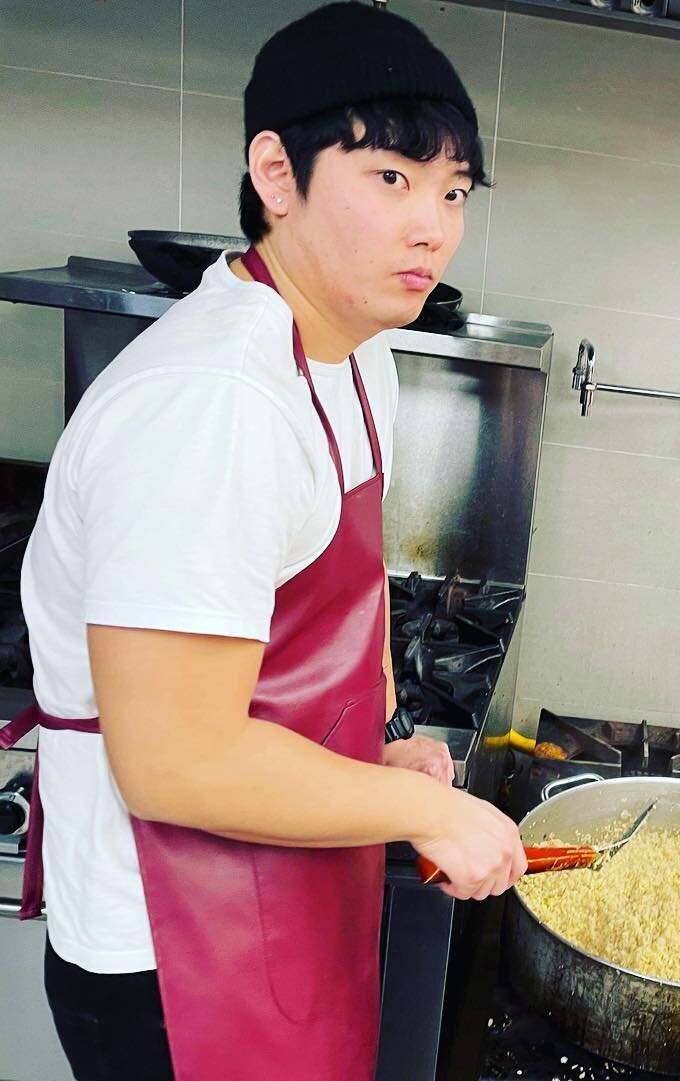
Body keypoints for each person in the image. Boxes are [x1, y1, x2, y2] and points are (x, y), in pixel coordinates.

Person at [0, 6, 527, 1080]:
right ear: (276, 174)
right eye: (390, 178)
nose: (432, 225)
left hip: (277, 887)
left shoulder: (351, 352)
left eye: (454, 191)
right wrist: (423, 805)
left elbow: (312, 626)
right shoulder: (212, 401)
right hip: (170, 947)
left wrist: (369, 761)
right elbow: (177, 759)